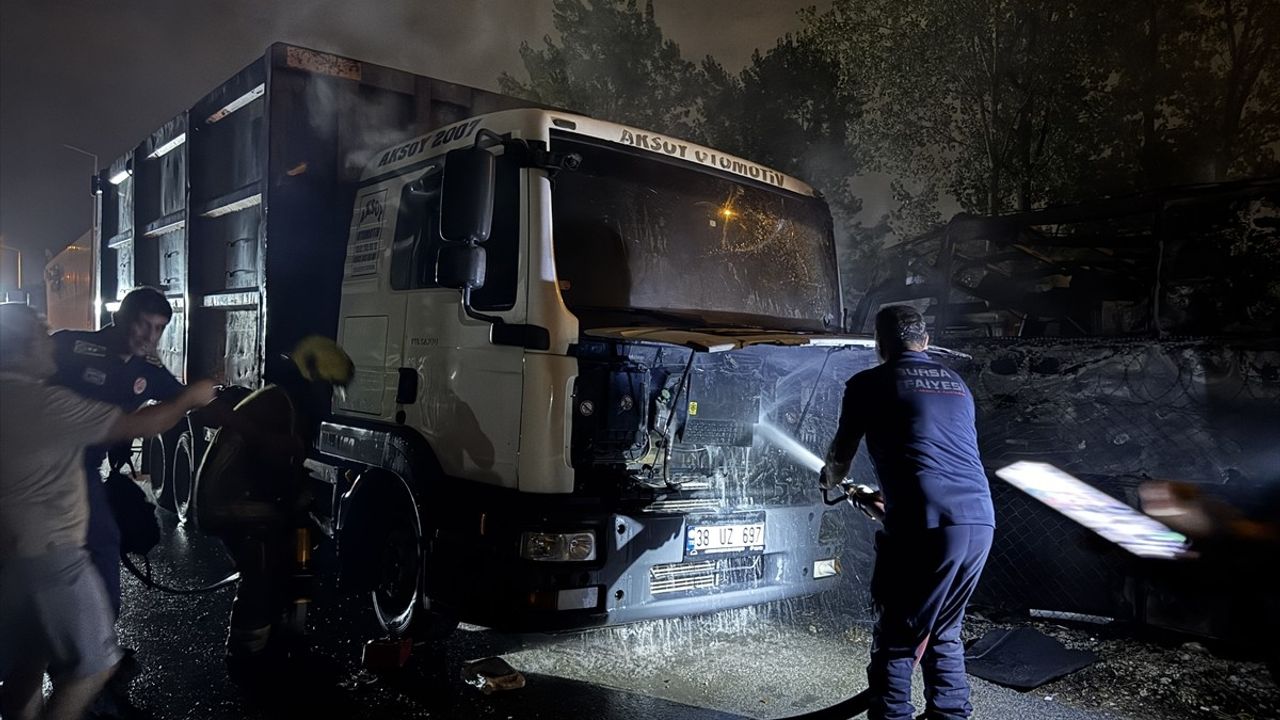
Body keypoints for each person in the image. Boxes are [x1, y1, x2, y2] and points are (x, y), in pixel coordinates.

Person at [0, 303, 215, 720]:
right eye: (41, 336)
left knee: (27, 662)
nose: (51, 343)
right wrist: (191, 397)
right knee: (95, 664)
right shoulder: (48, 402)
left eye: (158, 328)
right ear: (22, 349)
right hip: (51, 555)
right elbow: (136, 425)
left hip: (14, 554)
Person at [820, 305, 995, 720]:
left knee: (898, 635)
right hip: (978, 520)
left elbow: (841, 455)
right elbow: (937, 459)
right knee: (943, 630)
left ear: (879, 344)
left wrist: (830, 479)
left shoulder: (868, 383)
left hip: (925, 523)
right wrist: (889, 504)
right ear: (926, 341)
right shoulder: (956, 385)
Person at [195, 336, 353, 681]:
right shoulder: (280, 403)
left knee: (288, 553)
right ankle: (246, 655)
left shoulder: (286, 401)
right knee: (263, 562)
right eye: (327, 385)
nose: (329, 395)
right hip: (229, 501)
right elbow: (273, 461)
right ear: (312, 378)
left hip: (245, 496)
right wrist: (292, 500)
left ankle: (279, 640)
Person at [48, 287, 186, 617]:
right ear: (118, 318)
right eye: (143, 324)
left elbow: (188, 400)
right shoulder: (69, 347)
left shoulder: (146, 371)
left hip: (84, 473)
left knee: (103, 543)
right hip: (42, 468)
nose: (150, 336)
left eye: (159, 328)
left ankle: (100, 631)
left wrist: (250, 426)